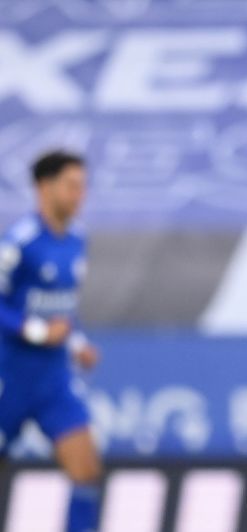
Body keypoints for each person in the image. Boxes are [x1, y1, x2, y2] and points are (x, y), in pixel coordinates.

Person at [0, 151, 102, 532]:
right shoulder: (19, 242)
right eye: (72, 185)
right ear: (45, 187)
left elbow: (64, 311)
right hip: (9, 376)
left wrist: (77, 344)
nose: (80, 194)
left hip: (53, 380)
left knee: (86, 469)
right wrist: (36, 332)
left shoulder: (77, 241)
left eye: (83, 186)